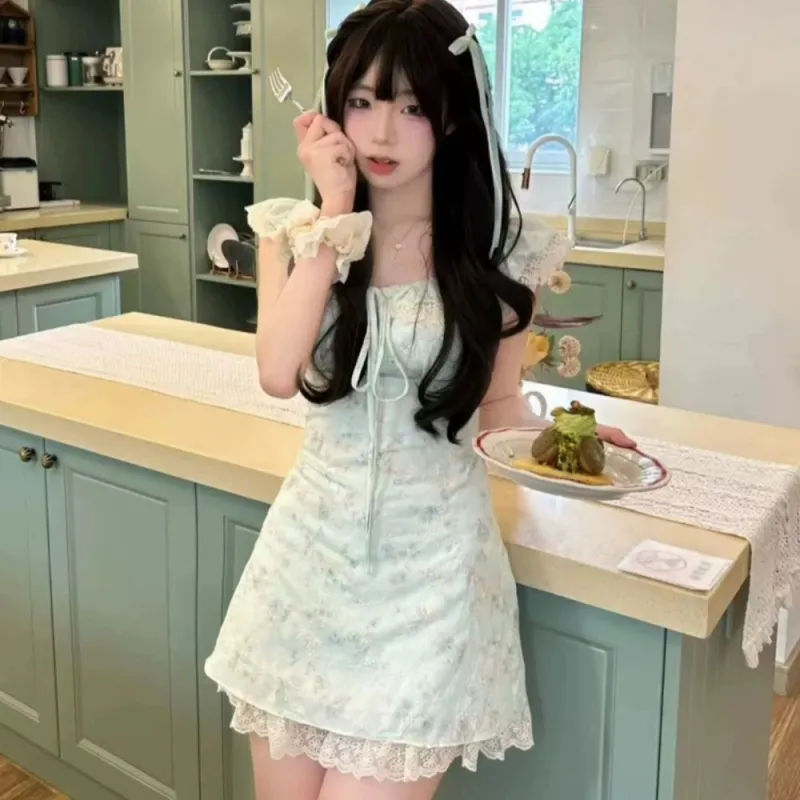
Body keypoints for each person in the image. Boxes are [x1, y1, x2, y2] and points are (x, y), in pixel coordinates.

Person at [204, 1, 633, 798]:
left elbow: (498, 409)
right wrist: (335, 212)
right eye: (362, 101)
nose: (381, 132)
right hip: (304, 567)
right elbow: (278, 371)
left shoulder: (500, 257)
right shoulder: (294, 233)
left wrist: (570, 438)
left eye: (411, 107)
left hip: (432, 582)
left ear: (453, 117)